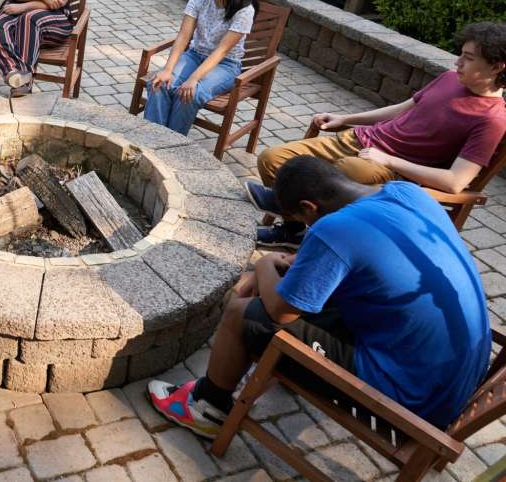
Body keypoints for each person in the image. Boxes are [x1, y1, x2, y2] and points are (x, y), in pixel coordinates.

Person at [148, 156, 491, 440]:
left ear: (310, 207)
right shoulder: (406, 193)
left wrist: (265, 264)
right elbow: (369, 256)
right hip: (452, 373)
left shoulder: (334, 230)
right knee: (301, 289)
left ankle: (205, 407)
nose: (304, 228)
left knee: (242, 312)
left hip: (412, 396)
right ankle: (269, 368)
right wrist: (296, 266)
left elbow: (281, 312)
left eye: (299, 220)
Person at [246, 21, 506, 247]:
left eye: (468, 58)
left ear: (497, 67)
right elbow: (401, 109)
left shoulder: (492, 119)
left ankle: (298, 215)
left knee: (348, 170)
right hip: (359, 140)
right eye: (461, 54)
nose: (457, 62)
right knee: (271, 158)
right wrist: (345, 119)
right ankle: (293, 229)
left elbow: (454, 182)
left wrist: (388, 160)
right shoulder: (450, 78)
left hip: (392, 168)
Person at [144, 0, 258, 134]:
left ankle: (171, 146)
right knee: (158, 84)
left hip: (225, 65)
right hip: (195, 55)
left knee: (190, 93)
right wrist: (167, 69)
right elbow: (183, 36)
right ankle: (152, 138)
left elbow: (221, 51)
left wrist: (194, 78)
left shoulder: (244, 10)